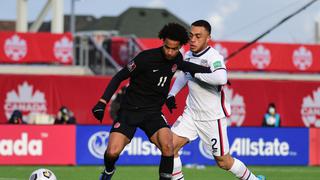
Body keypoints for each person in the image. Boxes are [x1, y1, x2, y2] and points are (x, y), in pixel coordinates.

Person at [91, 22, 212, 180]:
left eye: (174, 49)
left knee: (168, 146)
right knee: (112, 152)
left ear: (181, 46)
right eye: (167, 47)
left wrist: (211, 72)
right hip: (129, 111)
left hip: (152, 113)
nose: (169, 52)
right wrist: (102, 102)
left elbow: (185, 66)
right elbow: (119, 77)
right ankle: (108, 171)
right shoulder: (145, 58)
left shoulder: (177, 59)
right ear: (163, 41)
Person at [166, 20, 266, 180]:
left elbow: (221, 78)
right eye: (191, 36)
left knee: (224, 162)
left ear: (208, 38)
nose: (193, 40)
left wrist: (196, 72)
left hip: (212, 117)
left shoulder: (214, 57)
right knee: (169, 147)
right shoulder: (188, 55)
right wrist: (171, 94)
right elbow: (184, 75)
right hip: (191, 113)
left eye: (198, 36)